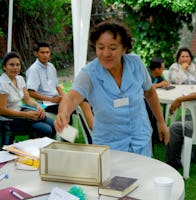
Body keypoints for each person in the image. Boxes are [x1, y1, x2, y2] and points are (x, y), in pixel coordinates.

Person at [54, 19, 169, 157]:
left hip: (140, 139)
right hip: (109, 145)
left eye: (113, 48)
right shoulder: (89, 74)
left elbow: (149, 92)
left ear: (124, 48)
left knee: (143, 177)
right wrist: (63, 114)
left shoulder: (136, 64)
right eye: (100, 47)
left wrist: (161, 122)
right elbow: (72, 98)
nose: (106, 53)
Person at [0, 52, 55, 144]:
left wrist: (38, 106)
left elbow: (28, 100)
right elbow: (2, 110)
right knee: (46, 129)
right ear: (4, 67)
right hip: (10, 119)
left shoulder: (20, 79)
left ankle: (66, 141)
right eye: (11, 65)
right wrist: (25, 115)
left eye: (18, 65)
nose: (15, 67)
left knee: (52, 123)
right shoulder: (2, 84)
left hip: (24, 112)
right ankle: (35, 150)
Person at [26, 42, 64, 114]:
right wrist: (51, 100)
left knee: (79, 103)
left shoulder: (51, 66)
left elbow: (57, 86)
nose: (45, 55)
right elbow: (31, 93)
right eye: (42, 52)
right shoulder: (34, 69)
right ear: (36, 54)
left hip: (56, 100)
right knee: (65, 109)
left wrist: (64, 97)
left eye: (47, 52)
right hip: (44, 104)